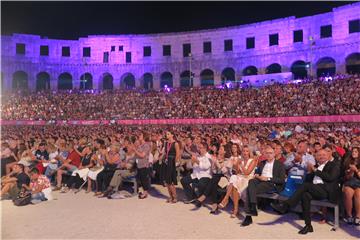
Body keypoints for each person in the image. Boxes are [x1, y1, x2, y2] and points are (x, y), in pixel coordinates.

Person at [270, 149, 341, 234]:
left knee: (306, 186)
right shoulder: (316, 166)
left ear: (329, 156)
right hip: (316, 189)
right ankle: (308, 225)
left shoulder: (334, 165)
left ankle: (286, 205)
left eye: (324, 155)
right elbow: (309, 179)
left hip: (327, 191)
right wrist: (309, 172)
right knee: (305, 196)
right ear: (316, 157)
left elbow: (330, 178)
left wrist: (315, 171)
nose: (321, 157)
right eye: (319, 155)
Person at [241, 146, 286, 227]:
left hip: (271, 183)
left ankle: (248, 216)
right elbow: (256, 173)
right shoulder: (262, 162)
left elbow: (282, 180)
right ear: (264, 154)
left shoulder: (280, 164)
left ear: (274, 154)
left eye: (270, 153)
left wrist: (267, 178)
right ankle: (253, 206)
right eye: (267, 153)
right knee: (251, 181)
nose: (268, 155)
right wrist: (258, 176)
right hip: (260, 181)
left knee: (249, 190)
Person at [342, 146, 360, 225]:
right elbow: (346, 177)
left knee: (358, 195)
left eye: (356, 151)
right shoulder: (348, 162)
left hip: (359, 183)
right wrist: (350, 172)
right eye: (353, 151)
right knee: (348, 193)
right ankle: (349, 215)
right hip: (349, 182)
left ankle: (358, 216)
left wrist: (356, 170)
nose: (353, 153)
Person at [132, 132, 152, 199]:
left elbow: (142, 155)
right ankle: (144, 192)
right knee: (141, 179)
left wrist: (135, 150)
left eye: (140, 135)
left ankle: (145, 193)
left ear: (144, 137)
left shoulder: (146, 145)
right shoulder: (140, 145)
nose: (139, 136)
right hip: (139, 164)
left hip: (144, 164)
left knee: (144, 179)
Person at [161, 131, 180, 203]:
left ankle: (175, 197)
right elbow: (165, 153)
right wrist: (161, 158)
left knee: (171, 181)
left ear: (172, 135)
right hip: (166, 162)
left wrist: (174, 163)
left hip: (171, 162)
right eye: (166, 134)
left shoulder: (176, 144)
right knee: (167, 181)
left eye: (168, 134)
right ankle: (170, 196)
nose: (167, 135)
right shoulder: (166, 143)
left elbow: (178, 154)